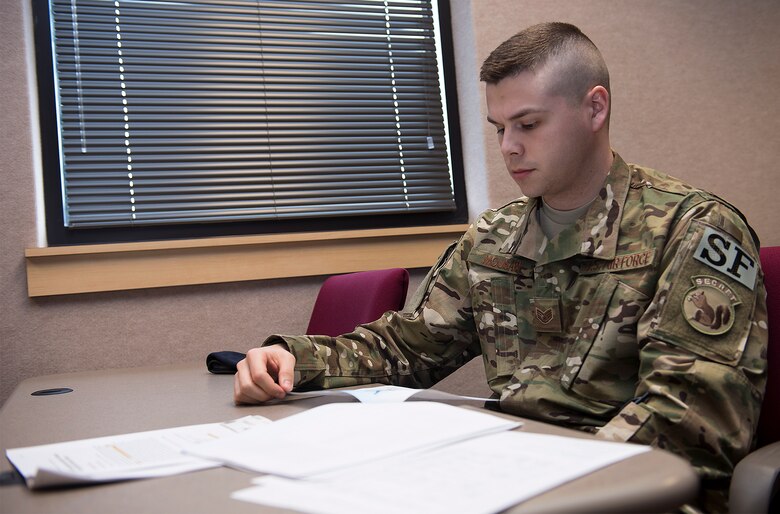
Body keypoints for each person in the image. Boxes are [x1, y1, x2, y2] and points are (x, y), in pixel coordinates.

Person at [233, 22, 767, 513]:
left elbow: (685, 423)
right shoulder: (495, 237)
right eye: (498, 128)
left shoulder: (695, 229)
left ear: (595, 108)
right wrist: (291, 359)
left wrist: (524, 487)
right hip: (509, 479)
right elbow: (411, 347)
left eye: (528, 124)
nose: (509, 148)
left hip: (633, 493)